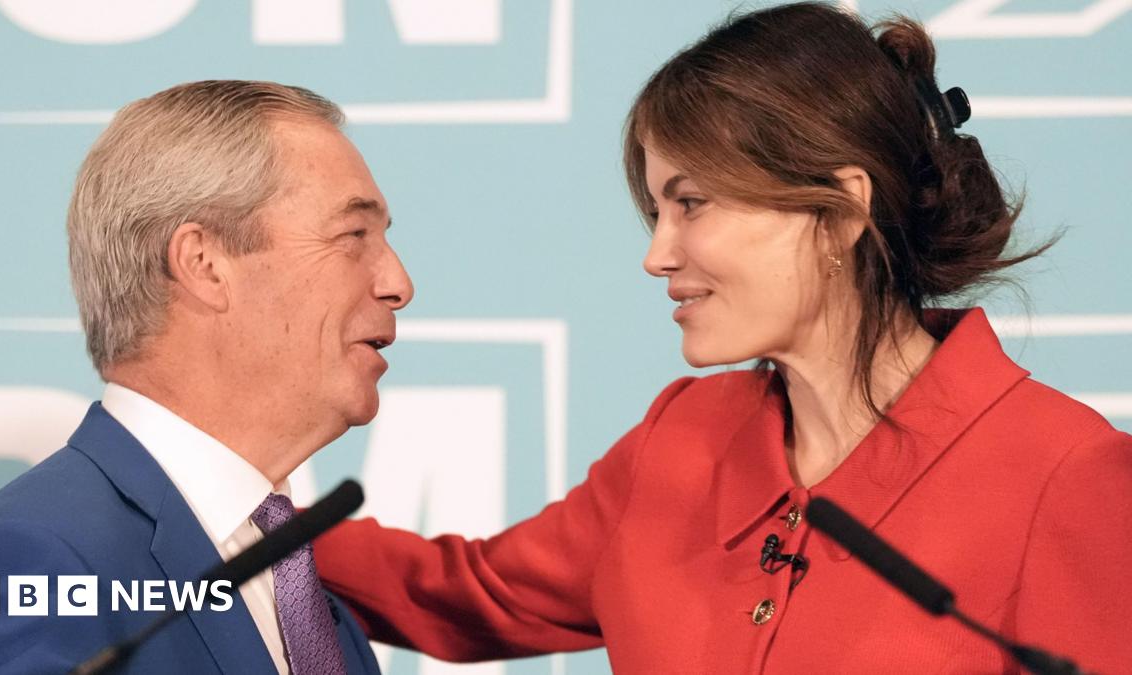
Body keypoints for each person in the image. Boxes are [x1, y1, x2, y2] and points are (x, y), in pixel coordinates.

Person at [310, 4, 1132, 673]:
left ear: (838, 212)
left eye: (692, 203)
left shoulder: (1070, 475)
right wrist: (227, 523)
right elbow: (464, 592)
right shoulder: (682, 436)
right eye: (657, 210)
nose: (658, 254)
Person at [0, 80, 412, 674]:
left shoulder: (319, 613)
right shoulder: (34, 559)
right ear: (204, 264)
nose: (398, 283)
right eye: (353, 237)